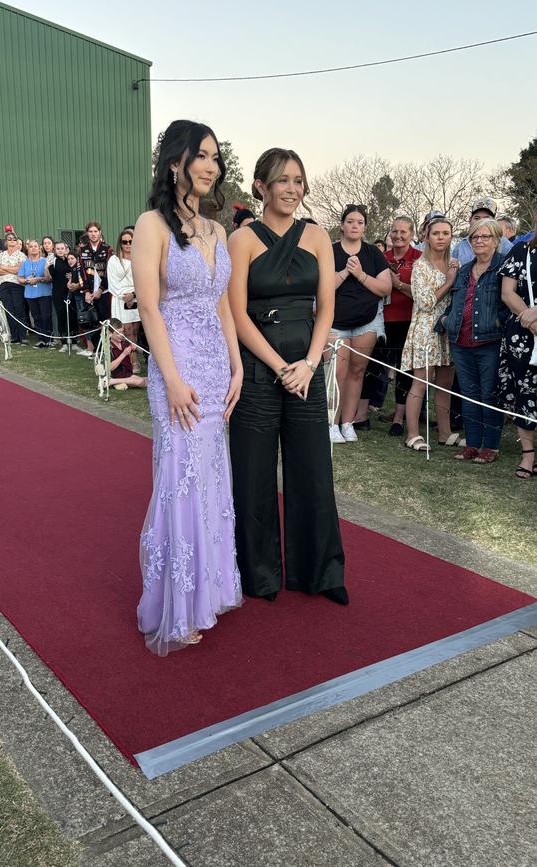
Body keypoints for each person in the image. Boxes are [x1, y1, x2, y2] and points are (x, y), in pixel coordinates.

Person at [133, 119, 243, 654]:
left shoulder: (218, 231)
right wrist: (172, 378)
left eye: (216, 158)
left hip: (216, 370)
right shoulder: (151, 224)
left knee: (210, 481)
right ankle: (175, 605)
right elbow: (150, 307)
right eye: (202, 155)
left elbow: (223, 304)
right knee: (180, 478)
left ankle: (209, 592)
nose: (211, 166)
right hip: (175, 373)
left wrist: (238, 365)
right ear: (176, 160)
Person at [228, 147, 346, 605]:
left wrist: (310, 364)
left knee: (314, 472)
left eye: (298, 180)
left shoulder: (317, 236)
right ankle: (259, 576)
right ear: (261, 186)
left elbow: (326, 308)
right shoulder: (242, 240)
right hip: (258, 371)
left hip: (307, 369)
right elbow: (236, 313)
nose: (292, 189)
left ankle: (321, 572)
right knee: (254, 476)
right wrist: (278, 367)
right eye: (282, 180)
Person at [437, 218, 505, 462]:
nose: (479, 241)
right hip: (460, 340)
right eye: (474, 237)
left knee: (489, 393)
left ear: (496, 240)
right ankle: (472, 443)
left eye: (484, 237)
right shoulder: (465, 270)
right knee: (468, 393)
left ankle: (491, 446)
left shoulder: (503, 268)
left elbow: (510, 301)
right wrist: (447, 320)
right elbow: (455, 302)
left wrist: (500, 321)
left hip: (490, 341)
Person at [328, 205, 392, 443]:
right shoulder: (330, 251)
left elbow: (385, 288)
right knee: (337, 373)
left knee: (357, 372)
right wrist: (346, 272)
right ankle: (331, 423)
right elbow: (322, 287)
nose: (355, 226)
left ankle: (348, 423)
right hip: (335, 322)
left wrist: (361, 274)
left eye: (360, 222)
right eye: (351, 221)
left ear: (364, 227)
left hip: (367, 322)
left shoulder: (373, 254)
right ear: (342, 225)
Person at [401, 216, 459, 452]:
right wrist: (450, 281)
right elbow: (425, 302)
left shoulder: (455, 263)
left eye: (446, 233)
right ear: (426, 236)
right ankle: (413, 434)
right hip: (425, 328)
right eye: (436, 233)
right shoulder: (420, 266)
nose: (441, 238)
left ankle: (445, 433)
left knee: (445, 383)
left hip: (447, 329)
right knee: (421, 382)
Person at [497, 223, 537, 479]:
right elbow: (507, 292)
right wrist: (529, 318)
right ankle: (528, 454)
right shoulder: (521, 250)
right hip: (522, 334)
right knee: (524, 390)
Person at [380, 216, 423, 435]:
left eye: (403, 232)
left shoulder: (419, 258)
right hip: (381, 319)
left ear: (412, 234)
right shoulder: (382, 257)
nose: (398, 235)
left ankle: (399, 417)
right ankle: (361, 413)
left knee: (403, 369)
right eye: (394, 231)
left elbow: (421, 293)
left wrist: (397, 284)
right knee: (374, 367)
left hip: (407, 319)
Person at [107, 227, 142, 374]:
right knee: (125, 331)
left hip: (136, 298)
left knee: (135, 329)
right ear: (120, 243)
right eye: (124, 242)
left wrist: (133, 295)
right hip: (121, 299)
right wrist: (125, 296)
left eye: (131, 241)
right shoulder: (114, 260)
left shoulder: (140, 259)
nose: (128, 244)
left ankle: (134, 357)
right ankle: (132, 361)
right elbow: (113, 283)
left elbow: (143, 280)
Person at [452, 198, 513, 265]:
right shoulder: (460, 247)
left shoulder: (506, 246)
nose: (481, 221)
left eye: (486, 218)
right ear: (470, 220)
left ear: (494, 221)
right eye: (477, 218)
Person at [18, 239, 52, 348]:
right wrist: (27, 281)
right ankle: (41, 339)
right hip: (30, 294)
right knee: (36, 317)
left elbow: (49, 278)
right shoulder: (25, 263)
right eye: (31, 246)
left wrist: (39, 279)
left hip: (44, 293)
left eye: (35, 246)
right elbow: (20, 278)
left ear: (39, 248)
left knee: (46, 316)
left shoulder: (45, 261)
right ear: (28, 248)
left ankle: (48, 339)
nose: (33, 248)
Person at [0, 231, 28, 344]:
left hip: (17, 285)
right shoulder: (1, 255)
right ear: (6, 241)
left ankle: (22, 336)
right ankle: (14, 336)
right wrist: (12, 268)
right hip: (4, 284)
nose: (12, 241)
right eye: (9, 239)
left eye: (14, 239)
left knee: (19, 309)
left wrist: (5, 267)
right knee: (9, 310)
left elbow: (20, 270)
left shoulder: (21, 255)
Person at [80, 221, 112, 328]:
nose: (93, 234)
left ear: (100, 233)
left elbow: (109, 272)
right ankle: (94, 345)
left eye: (95, 231)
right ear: (87, 233)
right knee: (91, 323)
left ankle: (106, 345)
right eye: (90, 231)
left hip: (104, 292)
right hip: (89, 294)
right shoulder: (83, 250)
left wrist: (101, 289)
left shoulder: (107, 249)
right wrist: (86, 292)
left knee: (106, 322)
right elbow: (82, 272)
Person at [47, 240, 76, 351]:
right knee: (61, 317)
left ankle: (73, 342)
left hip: (70, 292)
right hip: (58, 293)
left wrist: (72, 276)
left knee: (72, 317)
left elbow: (76, 271)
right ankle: (64, 343)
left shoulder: (70, 259)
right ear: (55, 250)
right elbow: (51, 276)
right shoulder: (53, 261)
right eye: (58, 249)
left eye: (62, 248)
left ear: (66, 249)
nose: (60, 250)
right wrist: (48, 266)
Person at [106, 318, 147, 389]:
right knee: (141, 382)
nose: (122, 335)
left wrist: (135, 347)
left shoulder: (124, 342)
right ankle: (112, 381)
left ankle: (117, 382)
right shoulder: (108, 347)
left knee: (150, 380)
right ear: (110, 334)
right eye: (118, 333)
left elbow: (141, 352)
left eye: (122, 332)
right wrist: (124, 354)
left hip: (127, 374)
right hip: (117, 375)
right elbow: (110, 368)